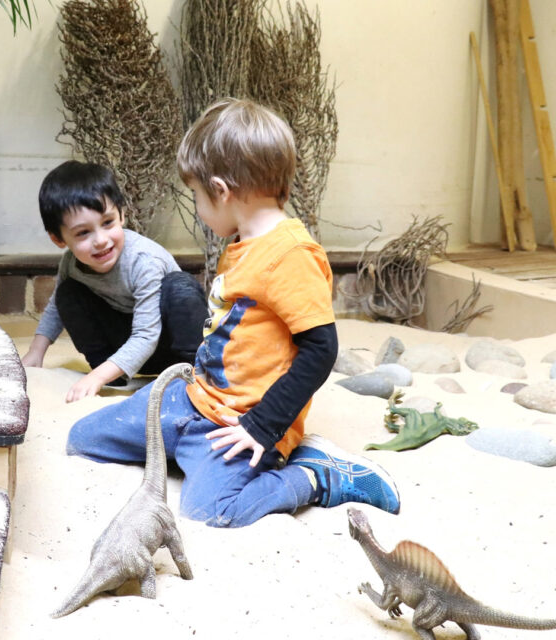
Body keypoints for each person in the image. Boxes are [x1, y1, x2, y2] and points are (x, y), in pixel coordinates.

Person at [66, 98, 401, 527]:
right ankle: (183, 447)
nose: (199, 208)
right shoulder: (243, 243)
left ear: (221, 191)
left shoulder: (292, 255)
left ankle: (318, 475)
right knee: (82, 439)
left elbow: (321, 350)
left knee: (211, 511)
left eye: (196, 196)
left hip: (242, 425)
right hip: (191, 401)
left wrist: (263, 427)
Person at [21, 160, 208, 403]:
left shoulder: (143, 260)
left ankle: (195, 372)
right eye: (83, 233)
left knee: (180, 286)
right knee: (67, 293)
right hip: (127, 345)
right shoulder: (71, 262)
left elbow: (147, 334)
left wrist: (94, 377)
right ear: (58, 239)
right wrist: (36, 351)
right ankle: (113, 375)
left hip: (167, 341)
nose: (101, 240)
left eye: (108, 223)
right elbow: (57, 306)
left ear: (121, 214)